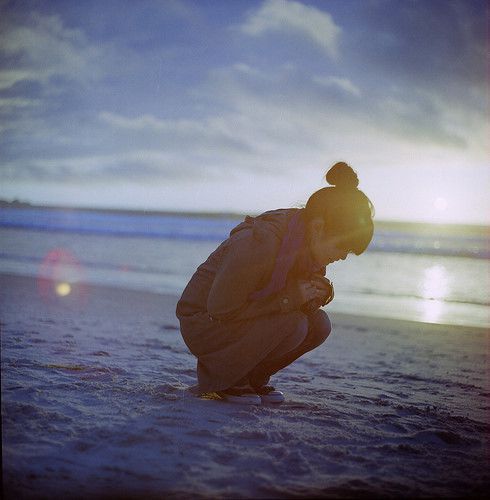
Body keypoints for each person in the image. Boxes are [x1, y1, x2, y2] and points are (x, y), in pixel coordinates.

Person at [176, 162, 374, 405]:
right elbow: (222, 309)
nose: (342, 256)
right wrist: (289, 299)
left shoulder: (303, 243)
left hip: (236, 318)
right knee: (294, 323)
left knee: (319, 324)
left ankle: (253, 377)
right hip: (203, 322)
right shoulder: (260, 243)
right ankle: (228, 380)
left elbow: (285, 298)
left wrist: (316, 294)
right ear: (318, 227)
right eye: (341, 247)